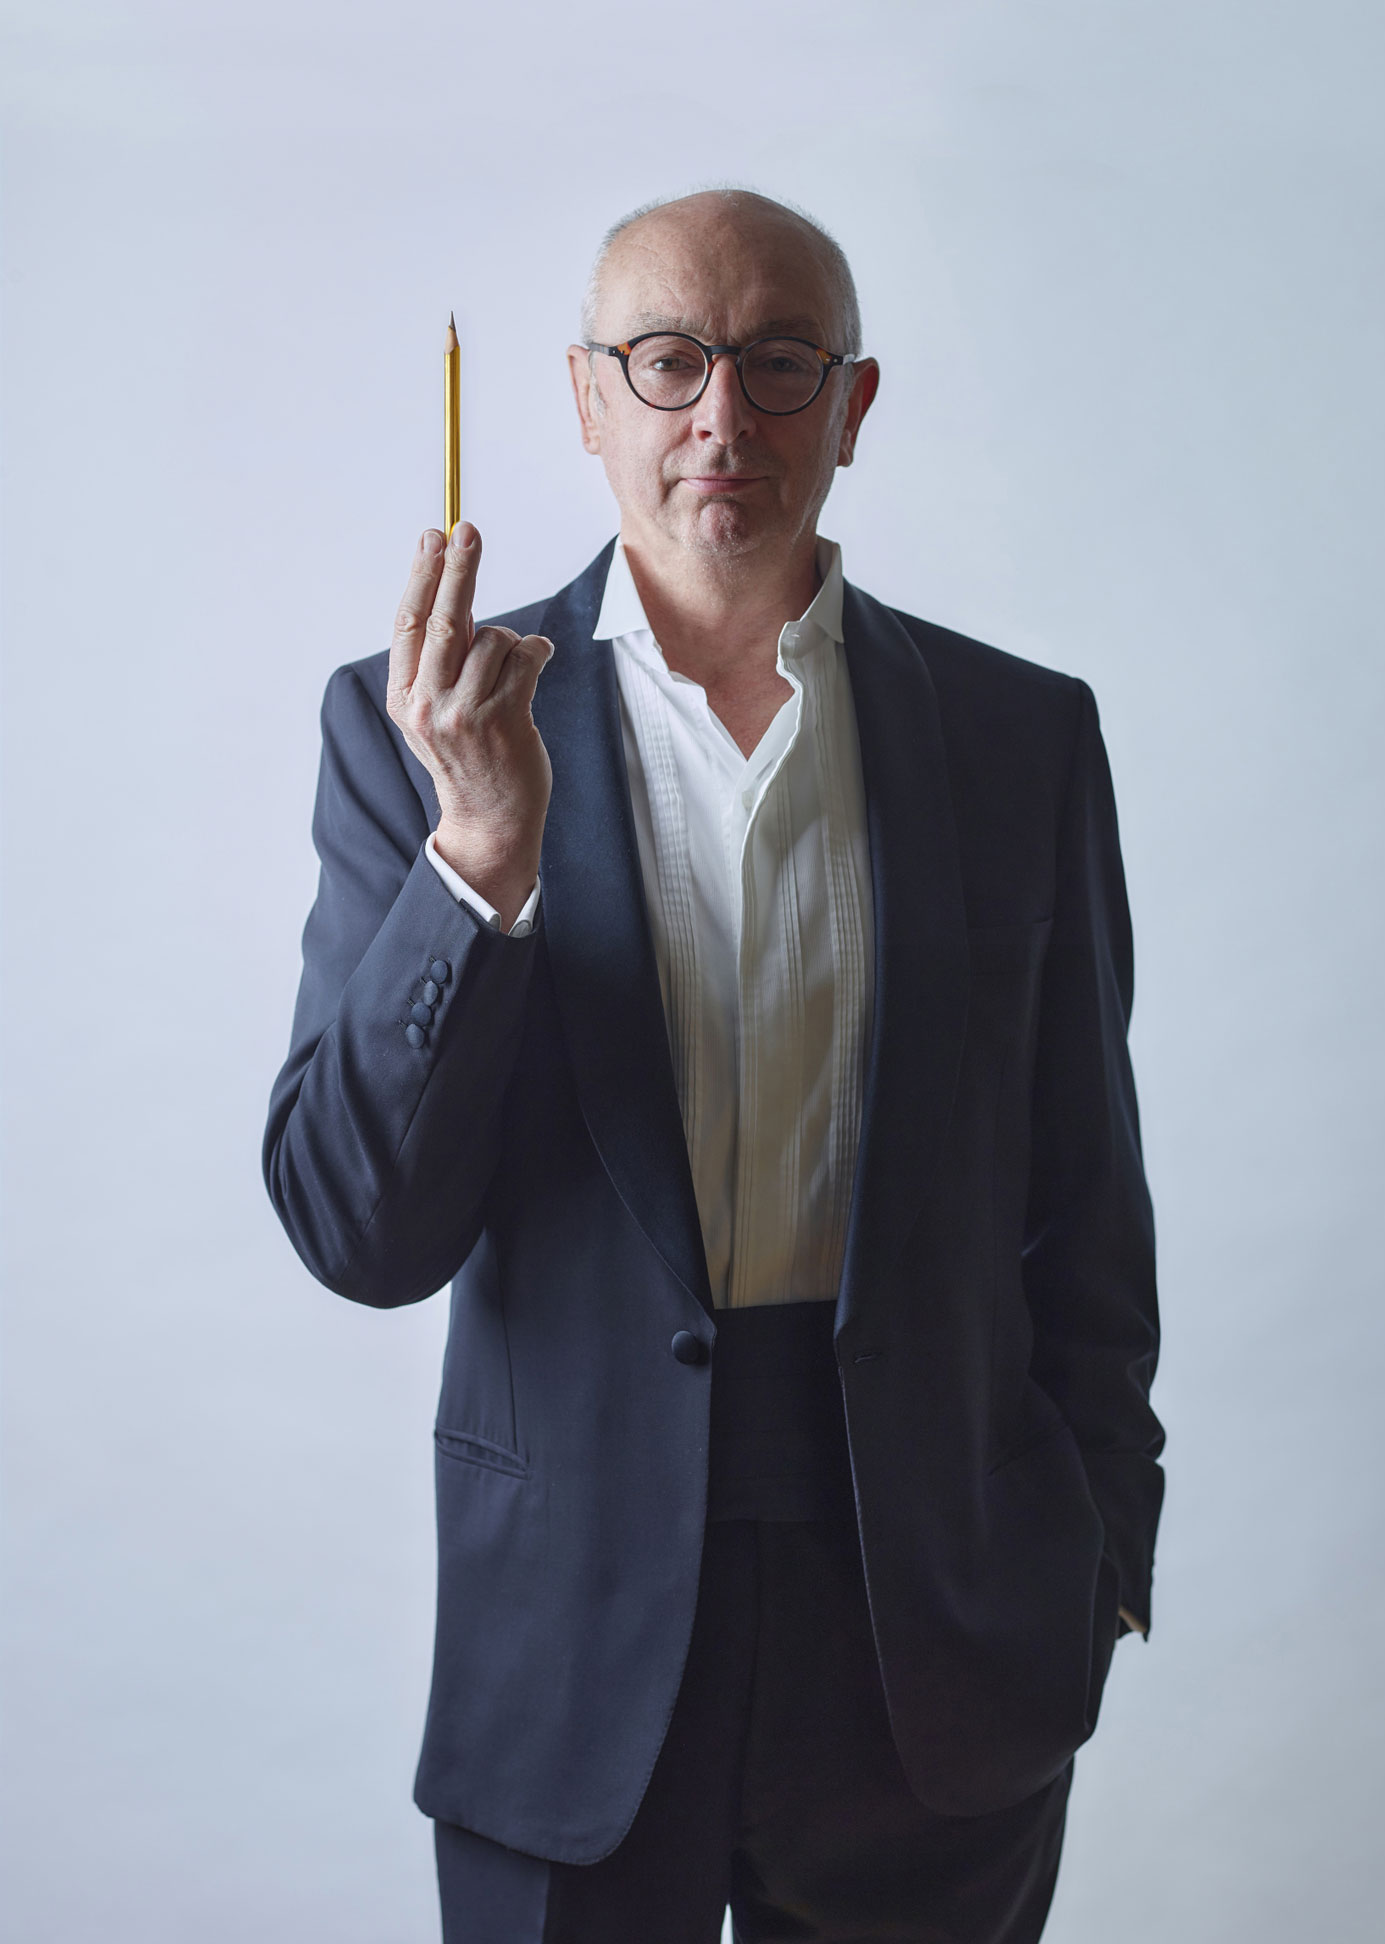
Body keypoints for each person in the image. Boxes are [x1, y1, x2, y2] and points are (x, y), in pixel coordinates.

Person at [263, 188, 1165, 1943]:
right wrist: (482, 862)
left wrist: (1096, 1560)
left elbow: (1087, 1199)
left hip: (937, 1648)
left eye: (776, 364)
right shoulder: (415, 738)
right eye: (668, 363)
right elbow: (357, 1231)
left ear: (856, 403)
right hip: (573, 1650)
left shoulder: (1016, 740)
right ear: (589, 398)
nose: (720, 419)